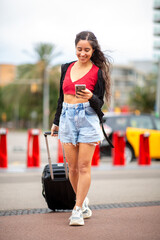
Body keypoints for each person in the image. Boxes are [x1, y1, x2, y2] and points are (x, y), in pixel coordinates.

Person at [51, 31, 111, 226]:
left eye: (87, 50)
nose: (82, 53)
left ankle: (77, 210)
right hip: (67, 117)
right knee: (73, 169)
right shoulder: (66, 68)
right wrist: (56, 121)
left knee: (84, 166)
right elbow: (61, 98)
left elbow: (99, 103)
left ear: (93, 50)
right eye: (79, 49)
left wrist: (90, 97)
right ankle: (82, 201)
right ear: (75, 48)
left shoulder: (97, 72)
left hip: (87, 118)